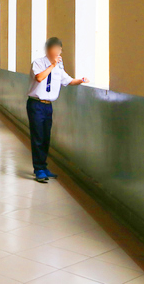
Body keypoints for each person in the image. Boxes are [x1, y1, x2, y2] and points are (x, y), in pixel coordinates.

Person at [27, 37, 88, 183]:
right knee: (38, 137)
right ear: (48, 49)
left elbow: (67, 80)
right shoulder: (38, 63)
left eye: (59, 50)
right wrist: (52, 65)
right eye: (55, 49)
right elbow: (39, 78)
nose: (57, 52)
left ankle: (43, 166)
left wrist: (81, 80)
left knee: (46, 137)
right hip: (36, 104)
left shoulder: (59, 66)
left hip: (48, 105)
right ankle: (38, 169)